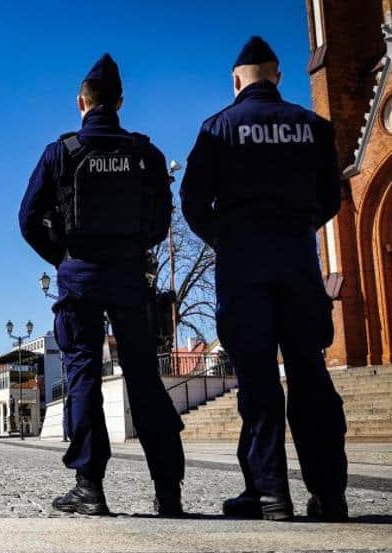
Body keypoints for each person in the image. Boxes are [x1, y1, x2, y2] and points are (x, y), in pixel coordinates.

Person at [180, 36, 347, 522]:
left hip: (243, 267)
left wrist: (228, 239)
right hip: (297, 261)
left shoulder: (217, 128)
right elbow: (332, 196)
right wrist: (298, 229)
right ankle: (329, 494)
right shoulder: (312, 126)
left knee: (256, 381)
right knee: (310, 374)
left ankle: (270, 493)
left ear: (236, 81)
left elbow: (192, 202)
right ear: (277, 77)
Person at [19, 53, 186, 516]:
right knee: (145, 379)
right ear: (120, 101)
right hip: (130, 277)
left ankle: (90, 487)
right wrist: (132, 251)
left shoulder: (62, 153)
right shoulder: (146, 154)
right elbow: (159, 221)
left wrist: (64, 256)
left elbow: (28, 219)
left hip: (80, 278)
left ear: (81, 103)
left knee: (83, 377)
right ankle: (167, 488)